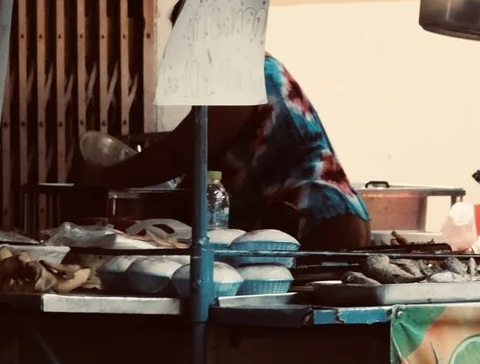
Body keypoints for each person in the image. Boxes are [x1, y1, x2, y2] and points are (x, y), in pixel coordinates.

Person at [78, 54, 370, 250]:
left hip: (318, 219)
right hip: (303, 221)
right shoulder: (233, 75)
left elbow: (180, 153)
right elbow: (199, 169)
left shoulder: (243, 74)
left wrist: (103, 177)